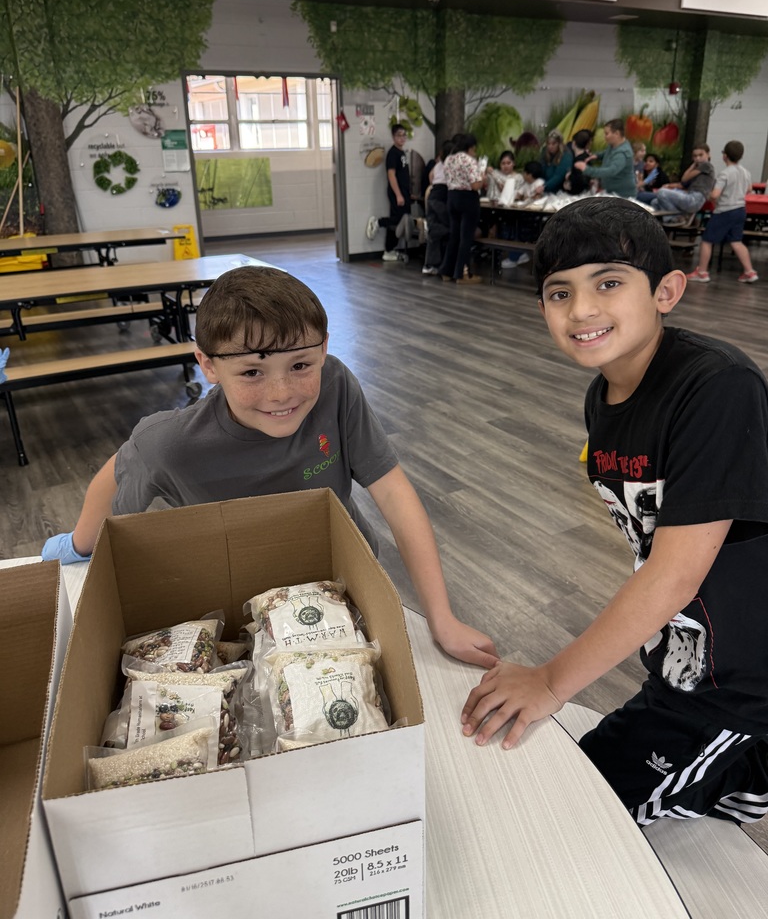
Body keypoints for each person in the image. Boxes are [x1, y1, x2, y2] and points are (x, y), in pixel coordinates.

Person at [461, 197, 768, 828]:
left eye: (608, 283)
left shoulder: (717, 386)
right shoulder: (602, 394)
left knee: (579, 815)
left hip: (743, 691)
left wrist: (550, 682)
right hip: (685, 667)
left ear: (667, 290)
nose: (582, 310)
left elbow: (674, 573)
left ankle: (749, 771)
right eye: (558, 292)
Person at [41, 266, 498, 669]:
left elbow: (394, 493)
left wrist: (441, 617)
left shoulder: (336, 385)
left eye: (301, 365)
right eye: (253, 372)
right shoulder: (173, 442)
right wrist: (81, 543)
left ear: (324, 351)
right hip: (239, 605)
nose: (281, 393)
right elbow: (119, 469)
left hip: (344, 581)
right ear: (207, 366)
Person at [687, 140, 758, 284]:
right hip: (740, 210)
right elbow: (749, 189)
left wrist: (710, 196)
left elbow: (715, 195)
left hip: (724, 211)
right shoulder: (746, 172)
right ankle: (749, 272)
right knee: (736, 241)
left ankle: (702, 272)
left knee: (707, 240)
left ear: (724, 156)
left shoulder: (724, 174)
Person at [439, 132, 486, 284]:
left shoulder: (448, 159)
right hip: (468, 199)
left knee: (454, 236)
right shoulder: (469, 160)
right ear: (470, 147)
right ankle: (462, 273)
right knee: (466, 238)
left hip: (452, 197)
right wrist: (483, 177)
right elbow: (475, 185)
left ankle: (446, 270)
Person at [367, 123, 412, 262]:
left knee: (398, 223)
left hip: (404, 192)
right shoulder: (393, 153)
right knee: (400, 219)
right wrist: (398, 194)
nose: (402, 138)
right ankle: (378, 222)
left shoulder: (402, 152)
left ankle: (389, 250)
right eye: (399, 135)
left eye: (404, 135)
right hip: (397, 193)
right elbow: (391, 175)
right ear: (393, 137)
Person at [647, 144, 715, 219]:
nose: (698, 158)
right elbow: (683, 184)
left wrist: (692, 165)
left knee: (661, 192)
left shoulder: (706, 166)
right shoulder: (698, 171)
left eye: (700, 155)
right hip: (689, 195)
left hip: (695, 198)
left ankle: (676, 218)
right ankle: (664, 222)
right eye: (695, 156)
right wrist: (668, 186)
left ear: (708, 154)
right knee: (655, 202)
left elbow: (684, 178)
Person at [574, 119, 636, 199]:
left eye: (607, 134)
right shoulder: (613, 145)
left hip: (623, 196)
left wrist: (587, 169)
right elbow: (607, 152)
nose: (605, 137)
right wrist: (597, 156)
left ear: (617, 133)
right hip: (612, 193)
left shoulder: (622, 153)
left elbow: (610, 171)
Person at [540, 129, 573, 194]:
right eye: (548, 144)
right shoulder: (545, 152)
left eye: (553, 144)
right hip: (544, 187)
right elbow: (541, 169)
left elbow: (559, 176)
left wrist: (544, 186)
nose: (550, 146)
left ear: (559, 144)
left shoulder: (566, 156)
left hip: (559, 191)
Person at [562, 129, 593, 196]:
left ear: (574, 143)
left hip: (577, 195)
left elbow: (579, 180)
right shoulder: (587, 157)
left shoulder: (578, 161)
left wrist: (569, 177)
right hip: (586, 193)